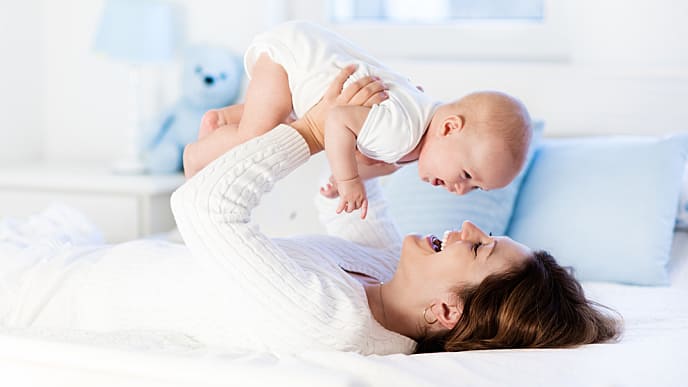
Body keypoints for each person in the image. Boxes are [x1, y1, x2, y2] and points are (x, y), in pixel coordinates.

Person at [0, 70, 619, 355]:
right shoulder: (389, 286)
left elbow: (202, 206)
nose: (467, 224)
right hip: (83, 261)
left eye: (480, 247)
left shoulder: (334, 324)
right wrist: (365, 164)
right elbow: (356, 220)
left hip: (39, 291)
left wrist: (314, 130)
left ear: (446, 310)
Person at [183, 21, 532, 219]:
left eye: (474, 188)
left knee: (279, 120)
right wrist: (350, 181)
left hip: (304, 58)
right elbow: (337, 121)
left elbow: (364, 153)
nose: (460, 190)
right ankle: (197, 156)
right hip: (289, 59)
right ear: (449, 127)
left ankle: (223, 119)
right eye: (468, 176)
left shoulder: (413, 136)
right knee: (257, 141)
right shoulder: (403, 132)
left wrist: (343, 176)